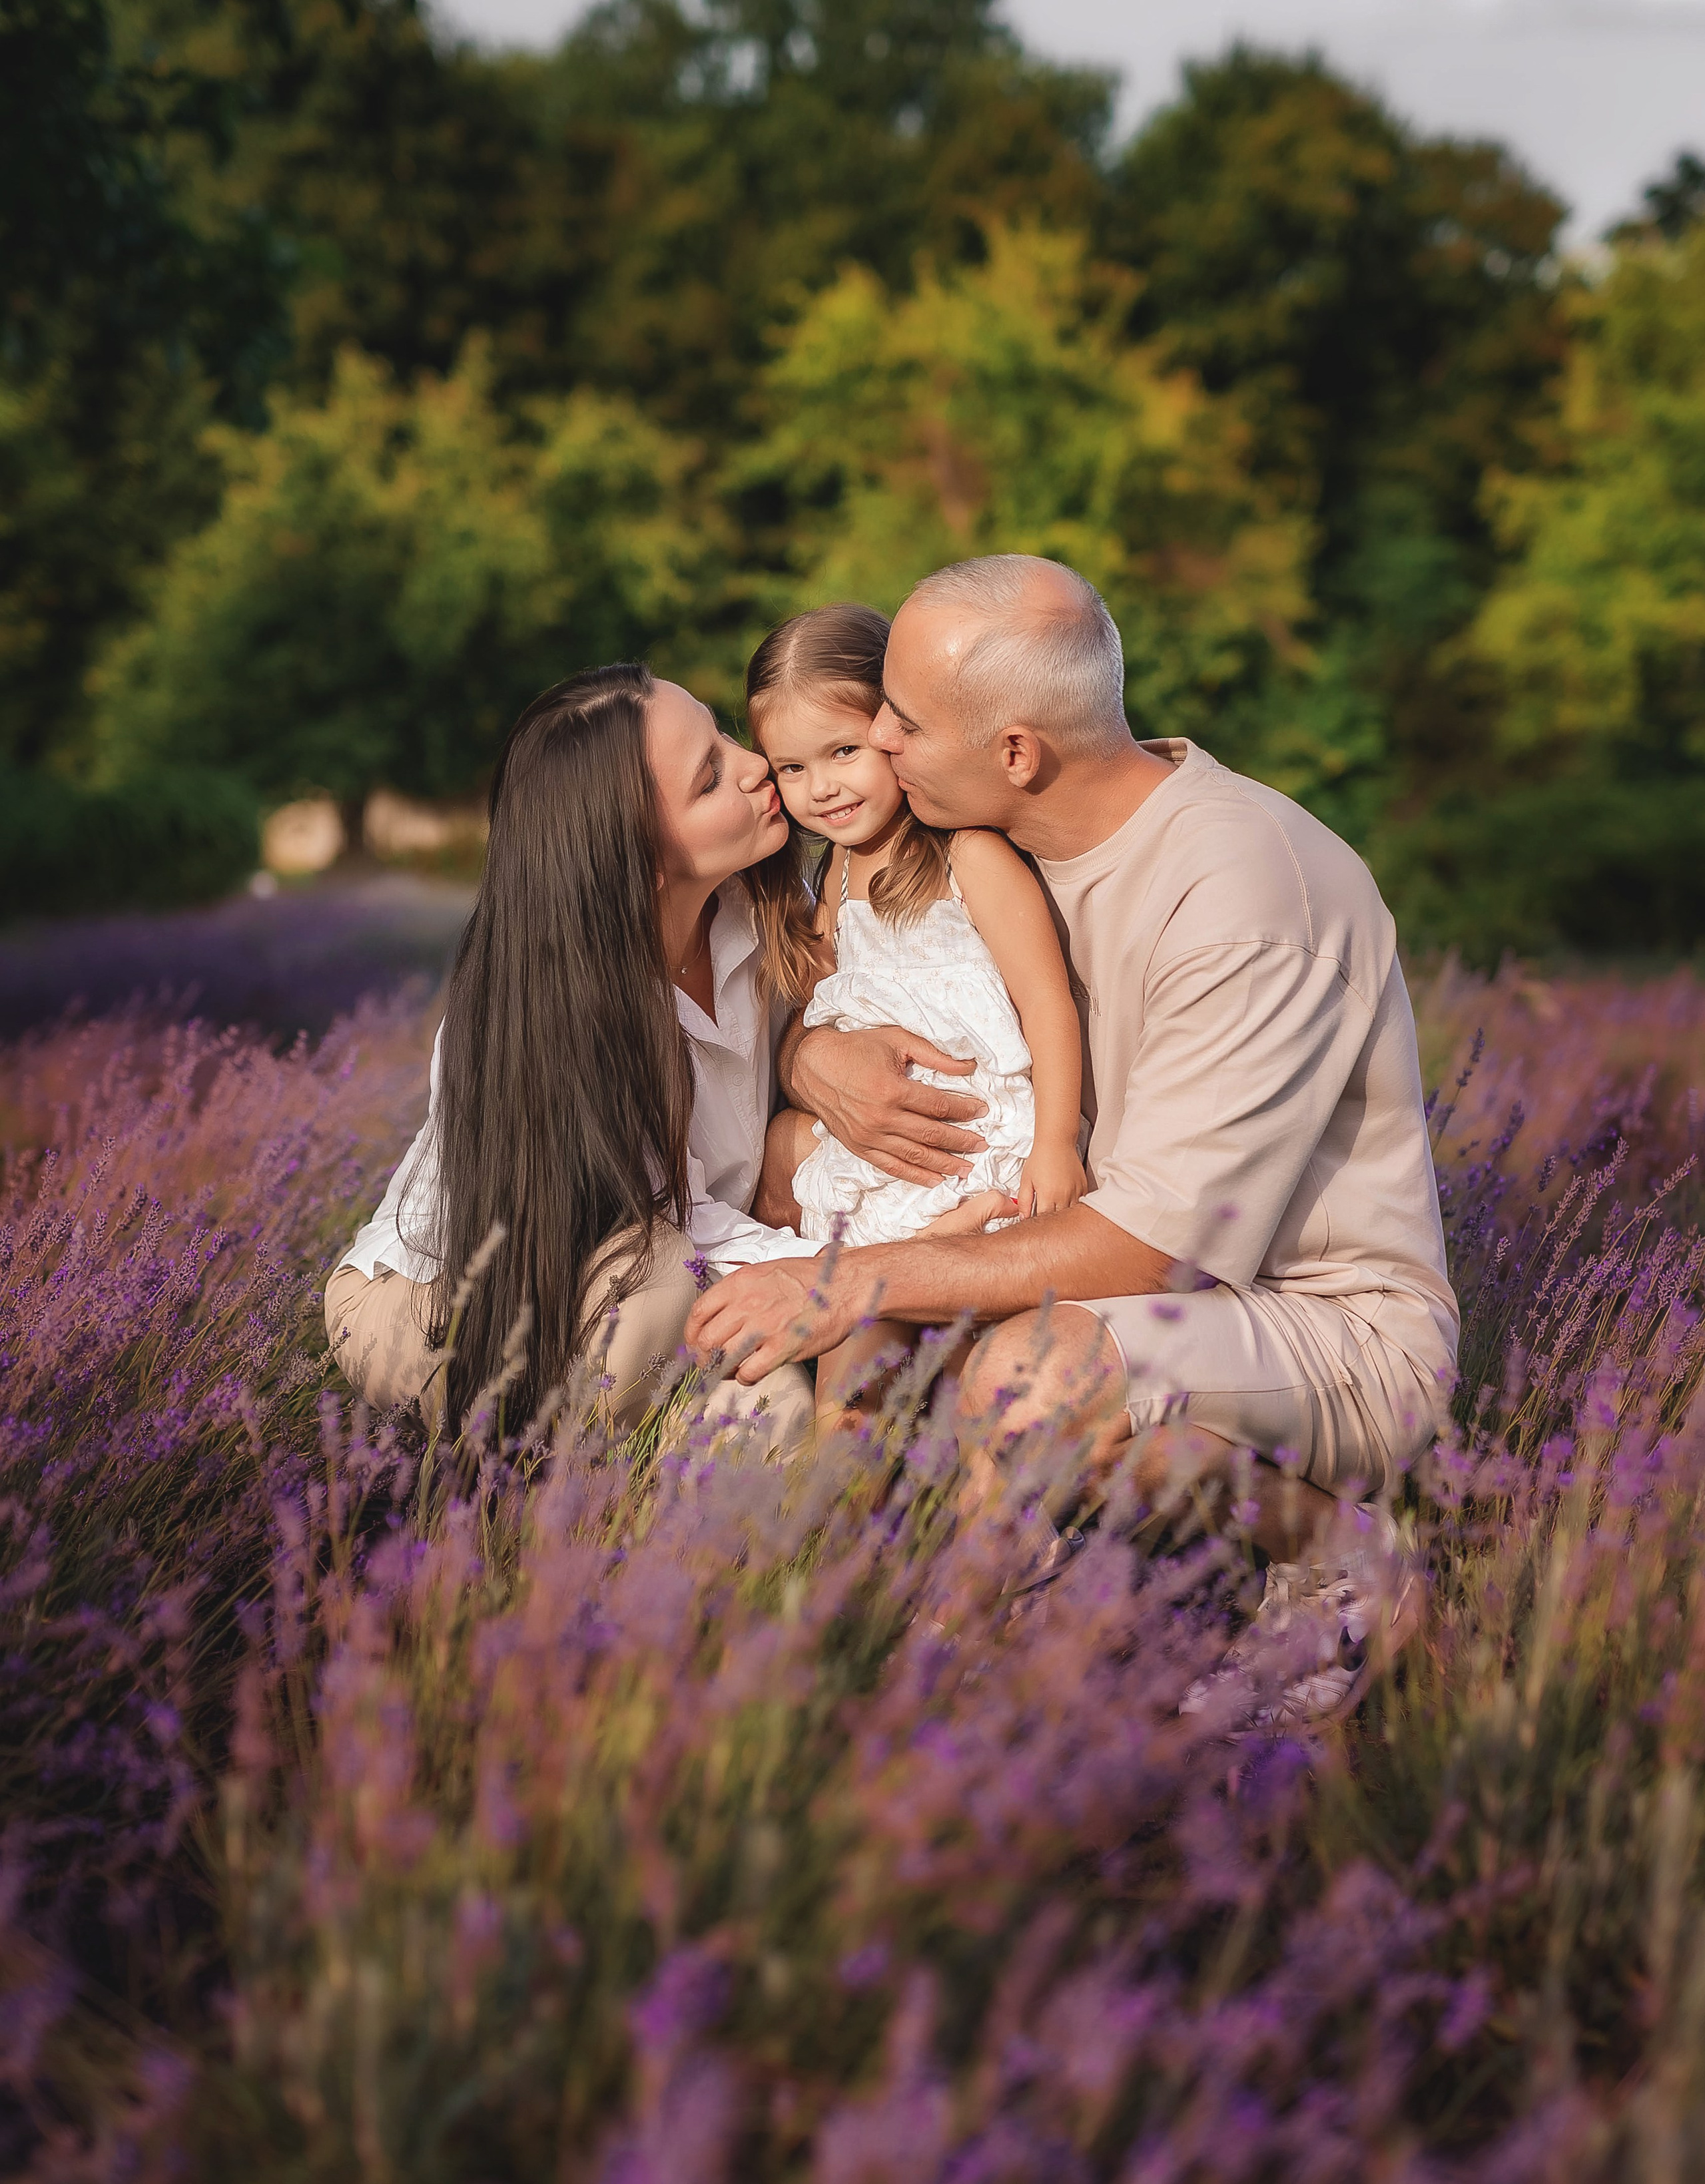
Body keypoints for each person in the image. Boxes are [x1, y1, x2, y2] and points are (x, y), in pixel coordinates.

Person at [685, 555, 1459, 1711]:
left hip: (1320, 1321)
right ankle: (894, 1597)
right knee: (808, 1193)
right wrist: (812, 1060)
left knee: (1023, 1379)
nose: (878, 742)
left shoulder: (1243, 897)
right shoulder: (1006, 828)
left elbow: (1154, 1248)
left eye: (903, 721)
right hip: (1113, 1267)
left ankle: (1331, 1563)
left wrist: (850, 1279)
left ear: (1015, 751)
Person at [324, 663, 819, 1454]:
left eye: (723, 735)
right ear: (644, 862)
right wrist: (859, 1271)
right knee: (664, 1284)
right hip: (443, 1301)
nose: (757, 764)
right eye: (710, 778)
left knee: (776, 1405)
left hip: (631, 1274)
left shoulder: (761, 912)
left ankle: (640, 1466)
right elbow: (677, 1221)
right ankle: (548, 1475)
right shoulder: (556, 1011)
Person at [741, 603, 1085, 1431]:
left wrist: (1055, 1143)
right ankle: (839, 1494)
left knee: (961, 1373)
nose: (822, 787)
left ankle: (970, 1486)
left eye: (844, 751)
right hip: (881, 1158)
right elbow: (824, 1009)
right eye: (791, 767)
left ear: (894, 732)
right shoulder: (835, 873)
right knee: (850, 1380)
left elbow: (1047, 1000)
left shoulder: (971, 856)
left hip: (972, 1146)